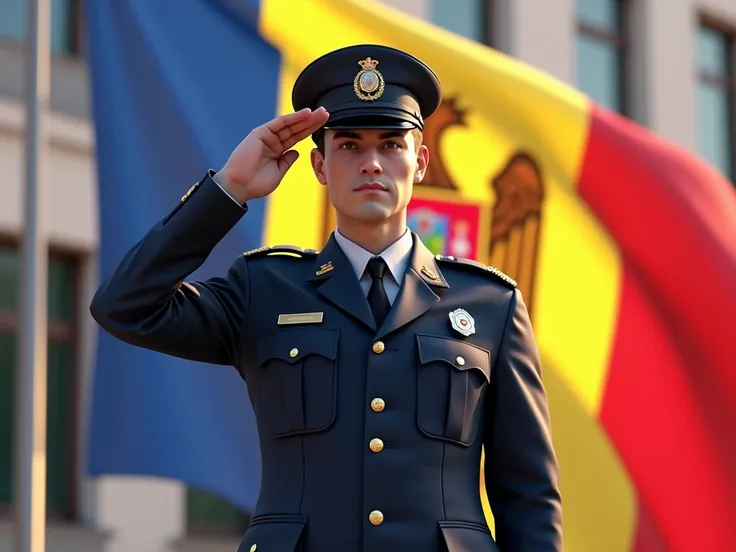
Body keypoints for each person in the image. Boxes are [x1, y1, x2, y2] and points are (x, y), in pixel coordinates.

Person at [90, 44, 562, 552]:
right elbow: (125, 305)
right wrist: (229, 189)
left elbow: (528, 496)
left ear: (420, 161)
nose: (372, 164)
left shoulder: (490, 304)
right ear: (318, 164)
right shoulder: (264, 290)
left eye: (391, 145)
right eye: (350, 146)